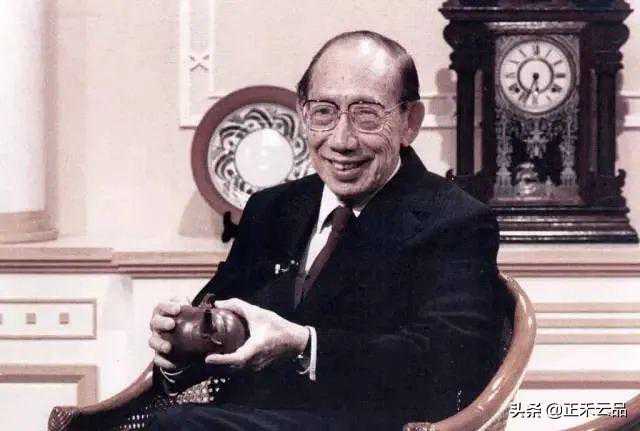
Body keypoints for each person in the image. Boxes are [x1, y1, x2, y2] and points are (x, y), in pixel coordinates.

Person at [147, 30, 505, 430]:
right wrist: (176, 351)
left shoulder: (456, 221)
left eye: (366, 114)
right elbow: (217, 329)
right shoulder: (270, 210)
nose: (341, 140)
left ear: (410, 122)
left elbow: (448, 364)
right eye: (324, 112)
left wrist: (305, 345)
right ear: (303, 113)